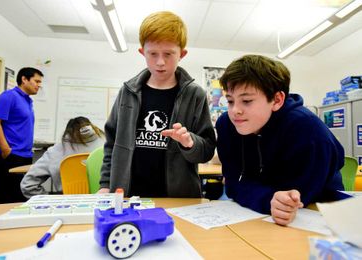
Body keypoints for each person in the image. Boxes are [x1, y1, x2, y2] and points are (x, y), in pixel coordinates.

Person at [215, 54, 348, 226]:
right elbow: (233, 184)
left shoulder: (308, 131)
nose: (235, 111)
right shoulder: (226, 125)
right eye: (230, 101)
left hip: (317, 214)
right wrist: (268, 199)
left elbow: (296, 199)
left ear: (277, 100)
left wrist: (271, 200)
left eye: (247, 101)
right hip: (256, 212)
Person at [99, 11, 216, 198]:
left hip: (178, 198)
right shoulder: (128, 91)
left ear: (182, 54)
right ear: (142, 52)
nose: (160, 62)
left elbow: (207, 150)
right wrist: (105, 184)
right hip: (128, 194)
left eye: (168, 54)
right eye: (153, 54)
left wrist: (189, 142)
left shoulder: (195, 94)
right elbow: (112, 143)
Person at [0, 67, 43, 204]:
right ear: (24, 79)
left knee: (18, 195)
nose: (39, 85)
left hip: (25, 155)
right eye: (36, 81)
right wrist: (6, 149)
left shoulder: (27, 101)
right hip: (11, 155)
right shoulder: (9, 97)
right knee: (3, 195)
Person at [21, 117, 105, 198]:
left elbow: (28, 185)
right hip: (102, 203)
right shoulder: (108, 145)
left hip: (68, 205)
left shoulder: (55, 151)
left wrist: (50, 201)